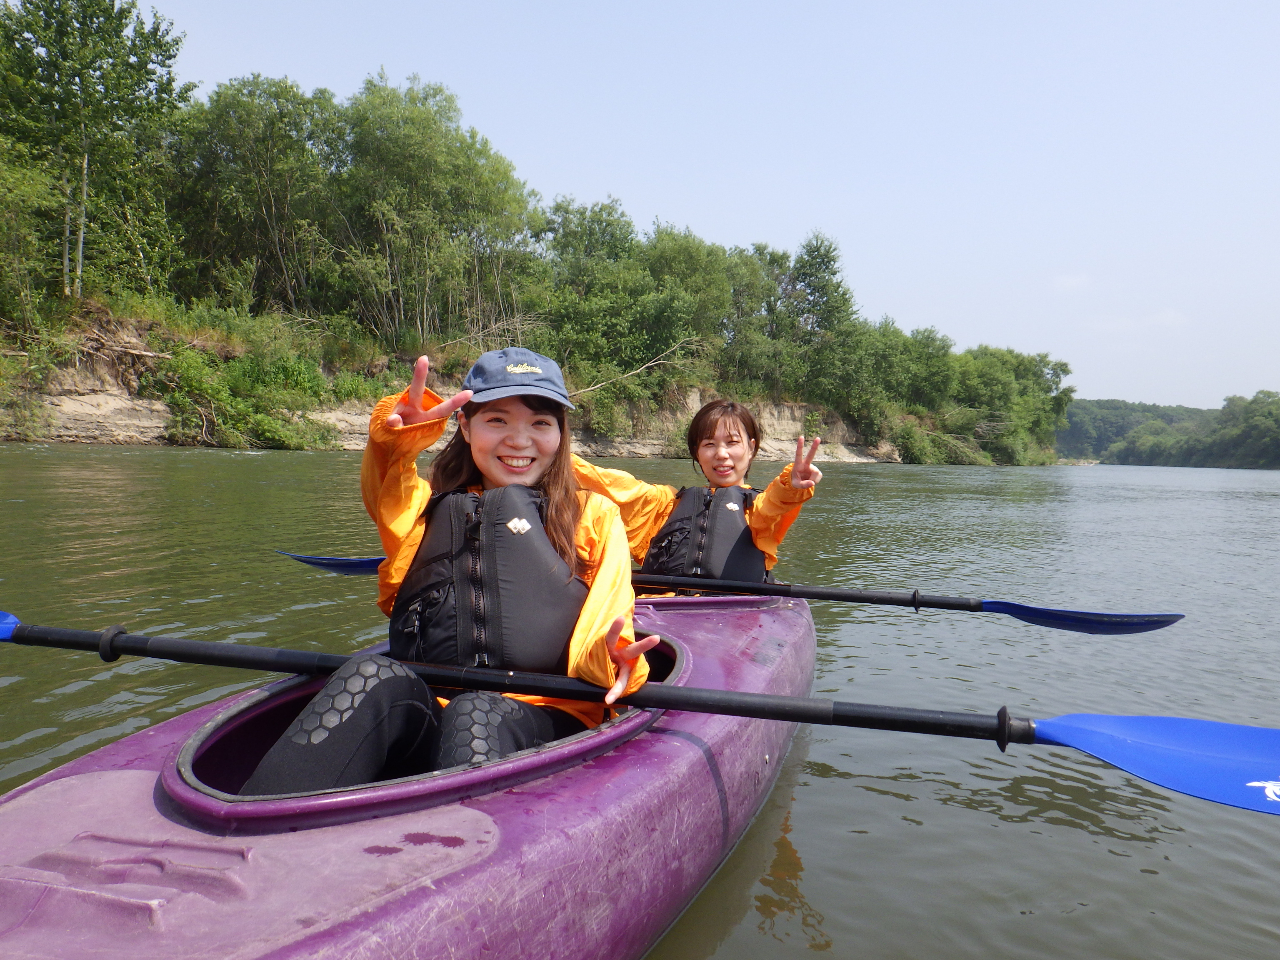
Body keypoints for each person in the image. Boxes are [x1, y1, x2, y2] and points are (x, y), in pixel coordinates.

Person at [242, 348, 657, 795]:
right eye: (497, 420)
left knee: (476, 711)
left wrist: (613, 658)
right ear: (465, 425)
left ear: (560, 433)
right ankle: (252, 826)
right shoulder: (426, 510)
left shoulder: (593, 516)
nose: (519, 441)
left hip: (549, 714)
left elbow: (607, 622)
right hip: (434, 706)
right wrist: (397, 439)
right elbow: (386, 484)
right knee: (369, 674)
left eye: (540, 423)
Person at [572, 400, 823, 584]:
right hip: (663, 611)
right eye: (709, 444)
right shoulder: (664, 505)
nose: (721, 454)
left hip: (735, 613)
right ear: (697, 453)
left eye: (732, 442)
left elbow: (775, 503)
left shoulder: (758, 509)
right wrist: (559, 458)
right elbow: (609, 485)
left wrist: (791, 484)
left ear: (751, 448)